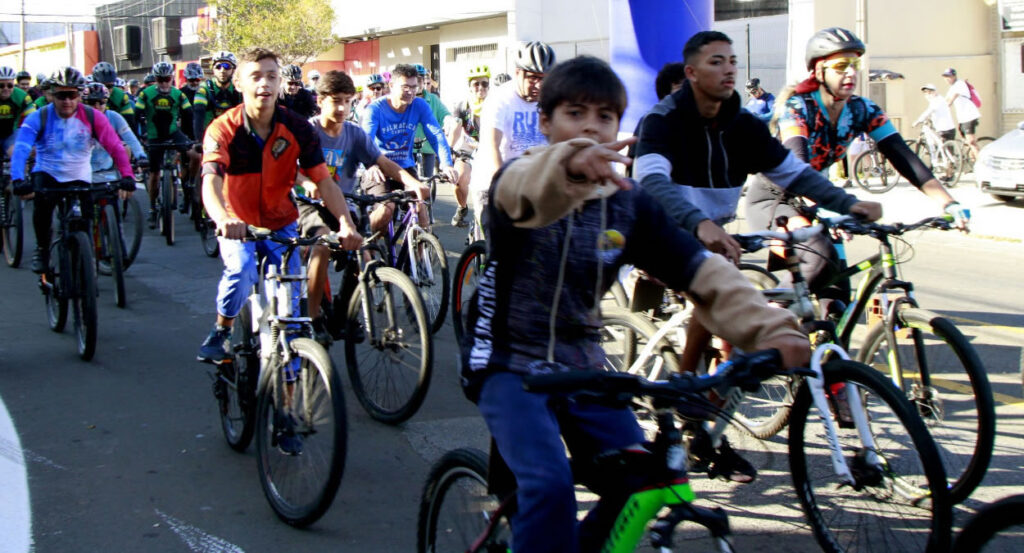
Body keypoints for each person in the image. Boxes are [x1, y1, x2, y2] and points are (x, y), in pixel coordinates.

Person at [461, 55, 810, 553]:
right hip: (506, 362)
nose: (590, 128)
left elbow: (700, 271)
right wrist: (569, 165)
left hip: (584, 363)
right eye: (574, 114)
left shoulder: (628, 202)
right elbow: (526, 189)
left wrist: (772, 330)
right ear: (544, 121)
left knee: (643, 481)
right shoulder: (517, 181)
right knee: (550, 486)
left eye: (604, 117)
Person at [635, 30, 885, 481]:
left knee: (735, 304)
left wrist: (849, 204)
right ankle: (688, 413)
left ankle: (700, 420)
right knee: (712, 294)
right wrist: (699, 224)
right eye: (716, 61)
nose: (729, 68)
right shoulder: (662, 120)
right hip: (659, 230)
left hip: (710, 232)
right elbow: (652, 182)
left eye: (732, 60)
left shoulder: (744, 125)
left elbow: (794, 173)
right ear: (691, 72)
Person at [745, 27, 968, 298]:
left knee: (837, 296)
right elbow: (798, 166)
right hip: (776, 200)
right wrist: (834, 209)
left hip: (821, 200)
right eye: (841, 66)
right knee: (820, 259)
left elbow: (905, 159)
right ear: (818, 72)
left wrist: (949, 203)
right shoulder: (797, 108)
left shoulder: (863, 109)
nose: (850, 72)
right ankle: (765, 321)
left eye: (855, 64)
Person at [195, 48, 361, 373]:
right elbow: (211, 180)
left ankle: (287, 402)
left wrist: (345, 223)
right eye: (256, 76)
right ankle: (222, 330)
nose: (264, 84)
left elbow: (324, 181)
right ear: (240, 83)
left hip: (281, 225)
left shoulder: (298, 128)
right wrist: (224, 219)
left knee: (292, 315)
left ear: (280, 82)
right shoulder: (222, 129)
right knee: (242, 270)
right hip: (237, 224)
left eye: (272, 76)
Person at [294, 70, 422, 344]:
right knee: (321, 246)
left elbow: (383, 161)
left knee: (362, 255)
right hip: (310, 206)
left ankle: (343, 314)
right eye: (335, 101)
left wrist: (412, 181)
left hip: (344, 206)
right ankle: (313, 319)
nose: (341, 108)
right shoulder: (308, 131)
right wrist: (306, 183)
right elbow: (289, 170)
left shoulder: (353, 133)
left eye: (347, 101)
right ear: (320, 101)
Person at [8, 66, 135, 273]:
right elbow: (21, 149)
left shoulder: (94, 117)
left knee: (84, 225)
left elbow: (115, 146)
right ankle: (42, 249)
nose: (66, 101)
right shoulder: (38, 117)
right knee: (42, 210)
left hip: (81, 177)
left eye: (72, 95)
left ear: (79, 95)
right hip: (47, 174)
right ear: (51, 96)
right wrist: (17, 179)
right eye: (61, 95)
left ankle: (84, 268)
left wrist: (127, 175)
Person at [361, 63, 456, 231]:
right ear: (391, 86)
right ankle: (363, 243)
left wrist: (446, 164)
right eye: (405, 87)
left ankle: (421, 254)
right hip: (378, 167)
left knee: (421, 207)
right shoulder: (375, 109)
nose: (411, 91)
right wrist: (370, 164)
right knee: (386, 209)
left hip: (405, 167)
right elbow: (365, 141)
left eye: (414, 87)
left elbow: (435, 134)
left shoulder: (419, 105)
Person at [469, 41, 555, 228]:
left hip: (532, 183)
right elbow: (492, 147)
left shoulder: (550, 100)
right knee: (501, 247)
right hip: (492, 182)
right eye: (532, 78)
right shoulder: (500, 99)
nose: (539, 86)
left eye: (544, 78)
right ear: (517, 73)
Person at [135, 61, 195, 228]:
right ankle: (153, 208)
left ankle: (187, 186)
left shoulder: (178, 94)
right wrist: (140, 137)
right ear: (155, 79)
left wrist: (191, 137)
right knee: (154, 174)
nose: (164, 83)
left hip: (173, 132)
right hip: (154, 135)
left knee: (190, 151)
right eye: (160, 80)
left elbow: (189, 114)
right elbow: (137, 113)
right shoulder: (145, 94)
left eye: (167, 79)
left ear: (171, 79)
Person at [446, 64, 490, 227]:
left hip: (488, 149)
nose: (480, 87)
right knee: (460, 179)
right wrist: (449, 150)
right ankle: (461, 207)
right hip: (467, 148)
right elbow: (456, 131)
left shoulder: (495, 104)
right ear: (470, 87)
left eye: (484, 84)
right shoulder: (462, 106)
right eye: (476, 84)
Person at [83, 83, 147, 183]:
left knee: (125, 147)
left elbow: (130, 138)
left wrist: (141, 156)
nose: (97, 107)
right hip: (81, 171)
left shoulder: (114, 117)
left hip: (107, 167)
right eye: (92, 103)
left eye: (101, 102)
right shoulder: (76, 118)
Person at [412, 63, 455, 180]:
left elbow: (445, 115)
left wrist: (449, 121)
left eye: (421, 79)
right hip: (408, 149)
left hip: (428, 147)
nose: (418, 83)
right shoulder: (406, 101)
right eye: (416, 79)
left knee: (428, 180)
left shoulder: (433, 99)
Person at [192, 51, 242, 142]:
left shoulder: (239, 89)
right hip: (211, 137)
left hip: (234, 137)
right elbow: (198, 115)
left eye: (227, 67)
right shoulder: (203, 89)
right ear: (213, 70)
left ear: (233, 69)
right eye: (218, 67)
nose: (222, 70)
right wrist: (199, 141)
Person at [942, 67, 982, 159]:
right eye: (945, 77)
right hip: (962, 118)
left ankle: (981, 163)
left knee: (971, 141)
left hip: (969, 116)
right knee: (967, 143)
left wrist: (948, 104)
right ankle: (973, 160)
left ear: (954, 76)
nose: (947, 79)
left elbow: (952, 98)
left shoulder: (960, 84)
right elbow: (945, 100)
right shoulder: (952, 87)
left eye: (949, 76)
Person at [91, 61, 137, 134]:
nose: (107, 90)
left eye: (110, 86)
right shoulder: (86, 95)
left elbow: (130, 122)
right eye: (103, 86)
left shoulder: (121, 96)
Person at [0, 65, 35, 156]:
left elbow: (33, 118)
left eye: (10, 85)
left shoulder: (22, 96)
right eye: (1, 85)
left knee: (17, 155)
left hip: (11, 133)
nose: (6, 89)